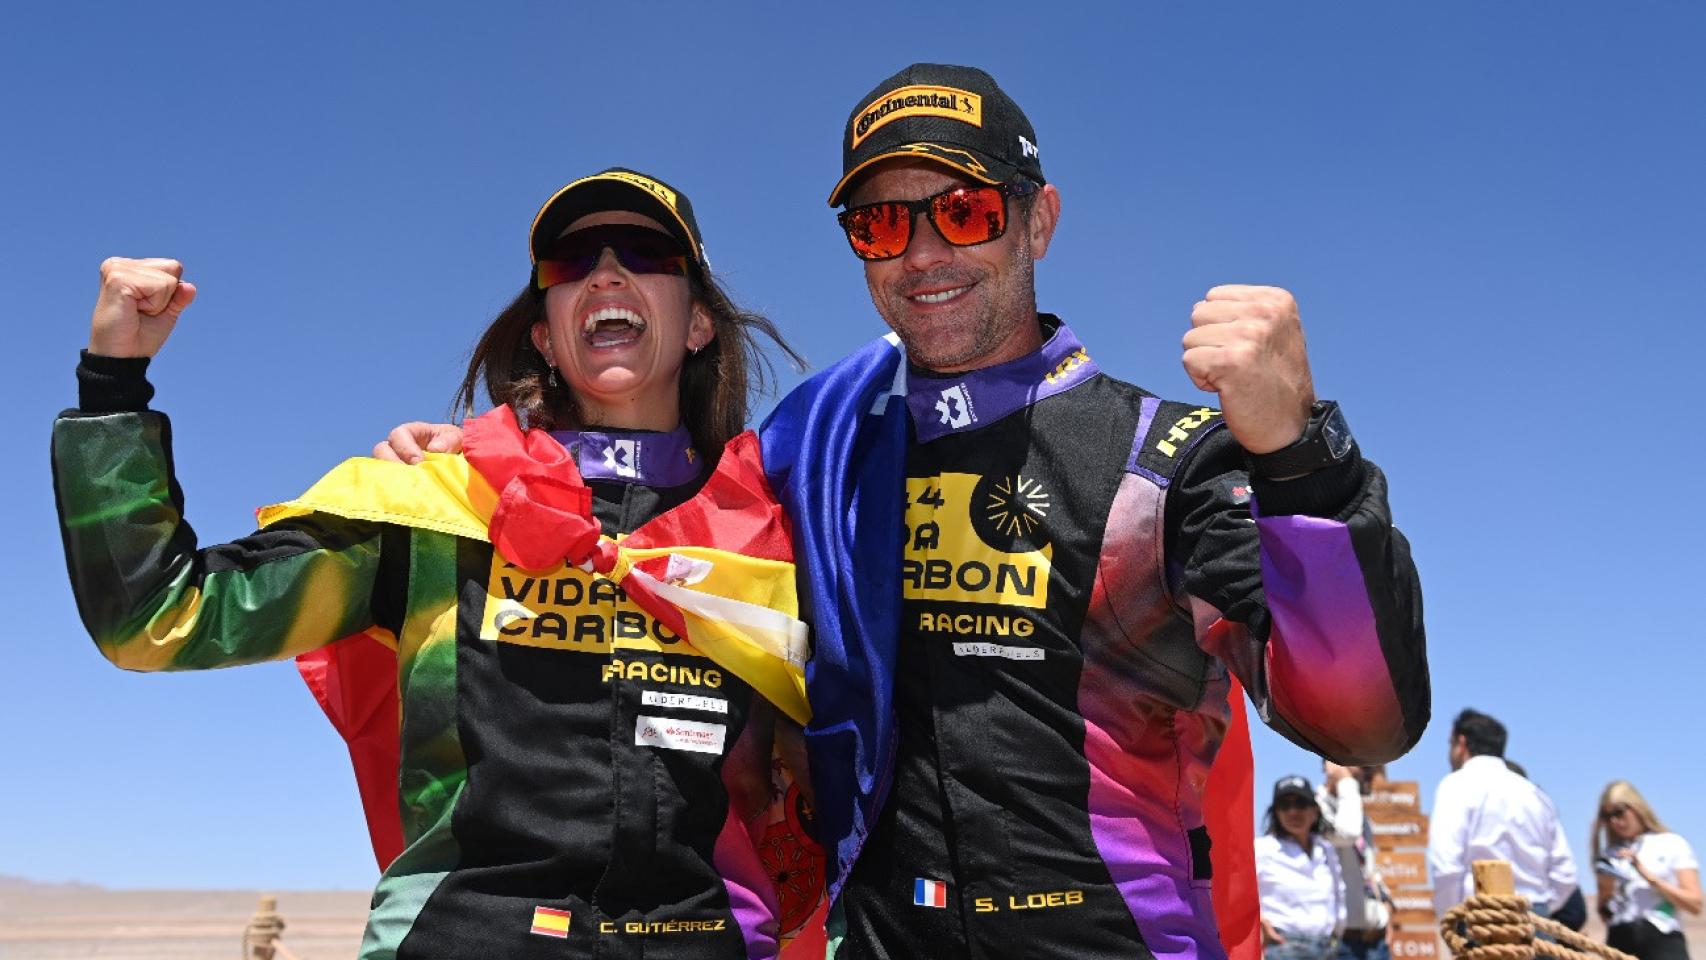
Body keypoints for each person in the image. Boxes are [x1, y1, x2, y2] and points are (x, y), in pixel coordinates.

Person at [380, 63, 1431, 960]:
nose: (922, 254)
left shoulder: (1162, 460)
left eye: (963, 211)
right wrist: (490, 462)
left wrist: (1303, 462)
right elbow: (648, 524)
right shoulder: (815, 452)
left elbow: (1360, 721)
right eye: (882, 223)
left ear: (1037, 219)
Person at [51, 169, 813, 960]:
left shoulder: (770, 537)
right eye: (572, 261)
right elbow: (155, 616)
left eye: (647, 254)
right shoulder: (436, 508)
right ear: (545, 338)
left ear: (697, 325)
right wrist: (113, 381)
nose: (606, 274)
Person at [1427, 709, 1577, 917]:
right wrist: (1540, 908)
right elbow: (1565, 874)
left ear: (1461, 743)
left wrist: (1451, 915)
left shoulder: (1455, 786)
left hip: (1480, 917)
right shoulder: (1534, 794)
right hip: (1534, 915)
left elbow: (1446, 865)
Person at [1593, 781, 1701, 960]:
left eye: (1619, 812)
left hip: (1663, 939)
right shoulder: (1609, 854)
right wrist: (1606, 892)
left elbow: (1695, 904)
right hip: (1619, 939)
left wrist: (1649, 877)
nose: (1614, 821)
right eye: (1607, 816)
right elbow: (1605, 914)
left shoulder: (1672, 843)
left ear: (1637, 807)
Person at [1259, 776, 1347, 960]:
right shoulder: (1262, 849)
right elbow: (1234, 894)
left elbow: (1338, 892)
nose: (1293, 812)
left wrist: (1338, 930)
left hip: (1329, 948)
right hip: (1284, 947)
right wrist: (1258, 922)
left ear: (1314, 810)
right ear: (1276, 813)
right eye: (1284, 805)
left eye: (1300, 804)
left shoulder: (1326, 849)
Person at [1319, 763, 1391, 960]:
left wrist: (1385, 905)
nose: (1373, 774)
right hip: (1343, 943)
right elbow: (1347, 833)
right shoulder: (1317, 808)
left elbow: (1368, 868)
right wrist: (1346, 780)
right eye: (1365, 766)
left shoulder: (1361, 817)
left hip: (1375, 941)